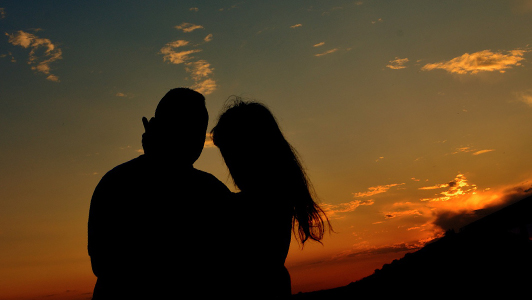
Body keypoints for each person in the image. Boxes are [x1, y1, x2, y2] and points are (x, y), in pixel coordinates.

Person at [88, 88, 231, 299]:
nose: (194, 138)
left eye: (199, 130)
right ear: (160, 126)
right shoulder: (212, 192)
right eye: (185, 127)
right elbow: (104, 264)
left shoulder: (115, 181)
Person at [211, 99, 331, 299]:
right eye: (226, 157)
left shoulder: (261, 203)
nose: (230, 167)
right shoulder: (278, 197)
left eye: (232, 154)